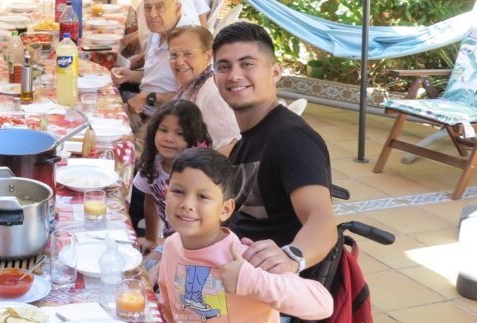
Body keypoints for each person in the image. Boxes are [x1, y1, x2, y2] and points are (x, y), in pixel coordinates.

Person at [155, 147, 333, 323]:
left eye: (203, 197)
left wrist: (253, 281)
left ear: (225, 209)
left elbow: (323, 303)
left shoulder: (246, 258)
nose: (187, 204)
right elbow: (170, 320)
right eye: (178, 191)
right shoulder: (172, 247)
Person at [213, 21, 337, 274]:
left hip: (272, 286)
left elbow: (321, 219)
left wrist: (292, 257)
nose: (234, 75)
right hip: (234, 268)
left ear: (275, 72)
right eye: (224, 67)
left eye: (247, 64)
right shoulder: (248, 138)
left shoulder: (292, 138)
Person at [135, 100, 212, 262]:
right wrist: (151, 239)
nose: (169, 138)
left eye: (180, 134)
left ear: (193, 138)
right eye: (163, 130)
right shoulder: (153, 164)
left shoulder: (197, 174)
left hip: (197, 245)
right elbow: (150, 202)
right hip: (171, 240)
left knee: (150, 267)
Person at [111, 0, 193, 117]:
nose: (152, 14)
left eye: (159, 7)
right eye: (148, 8)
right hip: (141, 108)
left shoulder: (187, 44)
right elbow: (158, 78)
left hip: (162, 119)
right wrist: (129, 75)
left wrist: (148, 98)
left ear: (178, 8)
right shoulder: (157, 32)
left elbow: (190, 98)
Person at [168, 26, 240, 153]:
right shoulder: (191, 85)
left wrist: (196, 165)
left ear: (208, 56)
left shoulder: (212, 94)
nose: (179, 62)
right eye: (174, 55)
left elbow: (234, 146)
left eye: (188, 54)